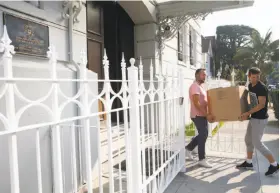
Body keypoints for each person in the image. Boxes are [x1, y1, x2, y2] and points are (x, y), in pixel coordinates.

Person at [238, 67, 279, 176]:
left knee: (257, 143)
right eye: (253, 77)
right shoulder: (251, 85)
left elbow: (261, 105)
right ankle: (249, 162)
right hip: (254, 117)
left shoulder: (262, 88)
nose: (255, 79)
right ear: (249, 76)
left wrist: (247, 113)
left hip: (260, 119)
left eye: (257, 77)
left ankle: (274, 164)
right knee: (248, 140)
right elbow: (246, 99)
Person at [185, 68, 214, 168]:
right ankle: (202, 159)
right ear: (197, 75)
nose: (205, 76)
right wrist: (207, 115)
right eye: (203, 74)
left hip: (202, 114)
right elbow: (197, 104)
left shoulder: (200, 87)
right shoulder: (194, 86)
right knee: (203, 134)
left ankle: (188, 149)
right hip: (198, 115)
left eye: (205, 75)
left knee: (203, 135)